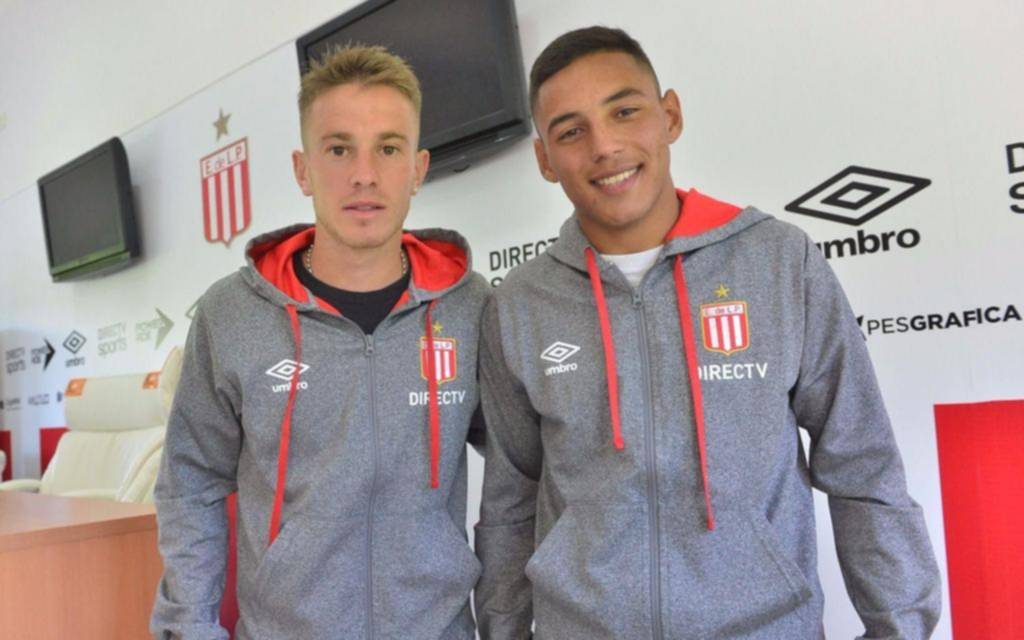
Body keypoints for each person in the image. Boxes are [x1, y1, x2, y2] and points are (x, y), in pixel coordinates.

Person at [474, 26, 941, 639]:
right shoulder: (519, 303)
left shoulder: (779, 262)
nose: (605, 145)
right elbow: (511, 497)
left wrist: (899, 627)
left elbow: (862, 463)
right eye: (571, 131)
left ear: (669, 115)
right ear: (544, 159)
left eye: (624, 111)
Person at [151, 45, 488, 639]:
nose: (364, 174)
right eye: (338, 149)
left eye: (388, 148)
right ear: (302, 169)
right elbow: (191, 484)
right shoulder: (231, 314)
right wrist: (190, 629)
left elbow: (523, 475)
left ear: (418, 169)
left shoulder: (471, 308)